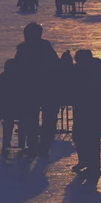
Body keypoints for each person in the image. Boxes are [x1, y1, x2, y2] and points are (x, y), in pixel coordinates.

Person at [14, 23, 60, 157]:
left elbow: (17, 70)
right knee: (43, 119)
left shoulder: (23, 50)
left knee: (33, 118)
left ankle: (35, 145)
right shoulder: (45, 49)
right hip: (43, 90)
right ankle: (41, 145)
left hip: (33, 90)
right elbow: (56, 67)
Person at [71, 51, 101, 182]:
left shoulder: (97, 71)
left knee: (91, 139)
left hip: (96, 111)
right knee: (80, 137)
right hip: (86, 111)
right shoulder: (78, 71)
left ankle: (94, 167)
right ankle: (85, 161)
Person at [0, 58, 22, 154]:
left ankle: (6, 142)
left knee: (7, 123)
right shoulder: (20, 78)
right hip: (19, 108)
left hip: (5, 108)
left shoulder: (1, 77)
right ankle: (21, 143)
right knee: (21, 122)